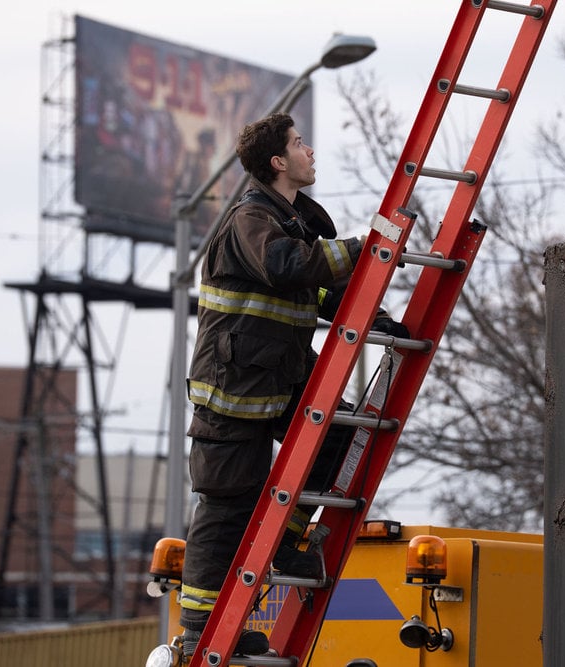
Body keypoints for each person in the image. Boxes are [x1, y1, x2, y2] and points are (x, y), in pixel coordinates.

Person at [178, 112, 407, 658]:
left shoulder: (290, 221)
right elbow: (288, 267)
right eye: (299, 143)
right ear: (278, 162)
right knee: (227, 506)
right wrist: (367, 247)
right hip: (231, 393)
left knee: (341, 439)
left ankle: (285, 542)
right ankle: (203, 631)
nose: (310, 150)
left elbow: (312, 292)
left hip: (277, 380)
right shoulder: (250, 220)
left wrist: (369, 314)